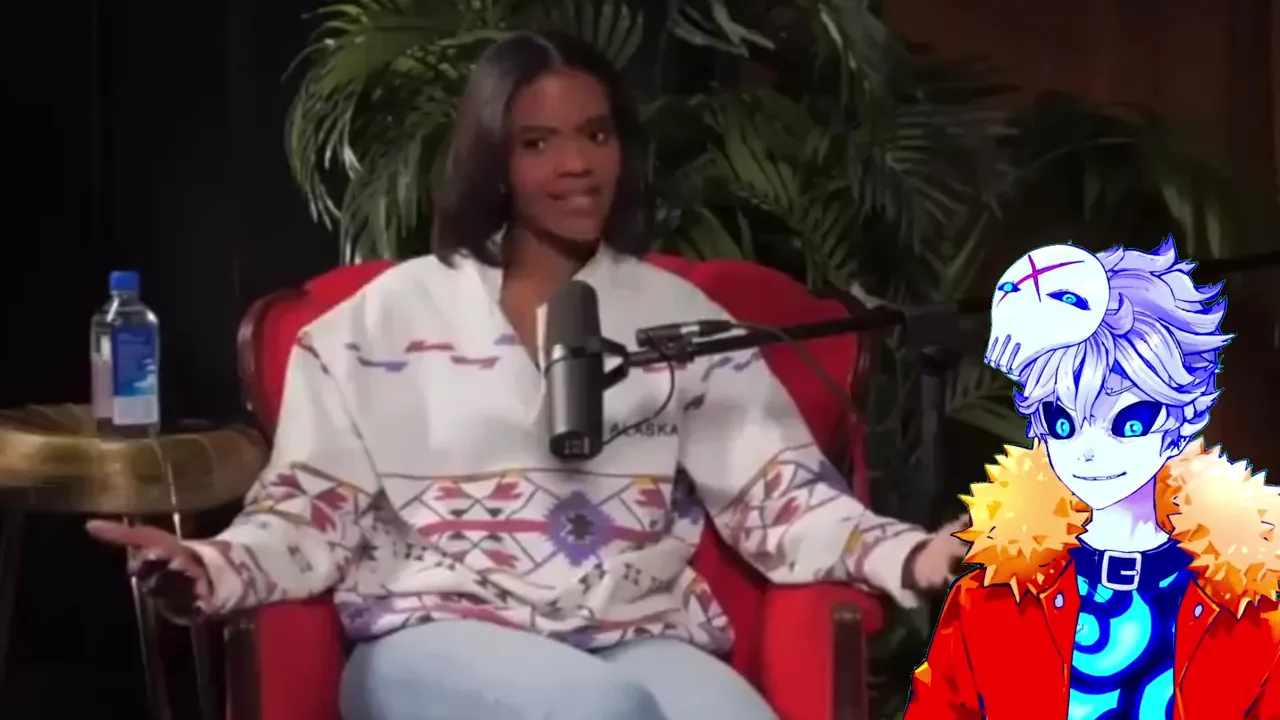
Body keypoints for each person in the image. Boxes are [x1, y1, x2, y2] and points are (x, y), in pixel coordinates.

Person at [87, 31, 966, 720]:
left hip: (636, 632)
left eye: (595, 134)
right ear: (493, 160)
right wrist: (210, 567)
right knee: (600, 713)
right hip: (432, 638)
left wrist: (910, 552)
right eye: (539, 142)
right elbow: (308, 512)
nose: (577, 164)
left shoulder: (678, 321)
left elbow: (779, 496)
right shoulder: (375, 326)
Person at [904, 239, 1280, 720]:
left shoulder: (1251, 613)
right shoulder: (988, 602)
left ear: (1184, 417)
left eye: (1130, 421)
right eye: (1061, 421)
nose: (1088, 450)